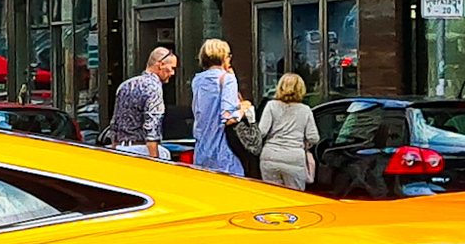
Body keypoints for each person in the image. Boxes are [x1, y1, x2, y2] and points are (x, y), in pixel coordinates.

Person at [189, 39, 251, 178]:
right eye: (229, 55)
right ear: (223, 56)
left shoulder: (197, 80)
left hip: (202, 149)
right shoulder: (227, 79)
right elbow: (228, 117)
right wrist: (244, 109)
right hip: (223, 149)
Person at [105, 44, 177, 159]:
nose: (173, 73)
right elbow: (152, 128)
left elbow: (115, 123)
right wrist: (154, 159)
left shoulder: (125, 85)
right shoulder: (154, 88)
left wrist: (114, 147)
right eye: (172, 68)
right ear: (161, 64)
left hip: (120, 149)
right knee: (165, 154)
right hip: (141, 150)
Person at [259, 73, 321, 191]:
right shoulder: (305, 110)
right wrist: (306, 144)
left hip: (271, 156)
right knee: (294, 198)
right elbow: (314, 137)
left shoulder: (271, 106)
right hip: (294, 158)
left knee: (273, 196)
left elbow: (262, 131)